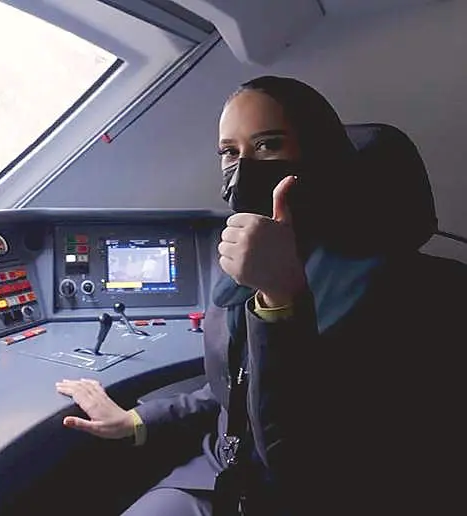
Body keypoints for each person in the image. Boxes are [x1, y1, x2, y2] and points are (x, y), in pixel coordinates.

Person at [55, 76, 466, 515]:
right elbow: (235, 384)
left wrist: (280, 299)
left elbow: (302, 455)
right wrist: (136, 420)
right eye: (230, 152)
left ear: (321, 155)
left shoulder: (421, 296)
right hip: (220, 473)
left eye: (269, 145)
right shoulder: (248, 264)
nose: (244, 169)